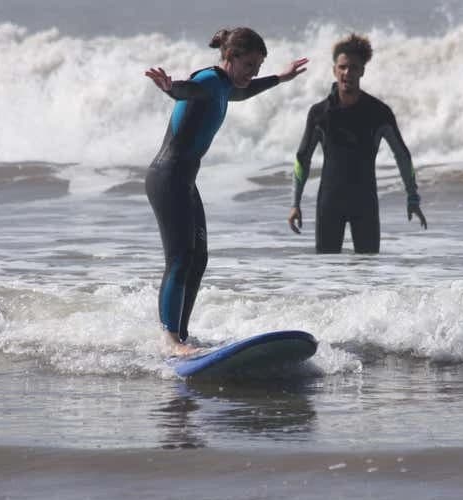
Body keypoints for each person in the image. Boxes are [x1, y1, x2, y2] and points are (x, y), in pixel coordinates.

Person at [145, 27, 308, 356]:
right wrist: (169, 87)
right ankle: (170, 340)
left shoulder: (225, 86)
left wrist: (280, 77)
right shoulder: (208, 81)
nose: (253, 73)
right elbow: (186, 91)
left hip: (184, 180)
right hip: (168, 177)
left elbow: (243, 93)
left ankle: (181, 334)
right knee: (179, 258)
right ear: (230, 58)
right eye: (249, 65)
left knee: (198, 258)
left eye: (258, 67)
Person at [287, 33, 426, 254]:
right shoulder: (320, 114)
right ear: (334, 70)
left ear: (362, 71)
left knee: (369, 274)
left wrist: (412, 197)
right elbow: (302, 158)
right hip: (329, 205)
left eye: (353, 67)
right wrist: (295, 203)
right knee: (327, 276)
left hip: (365, 205)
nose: (347, 73)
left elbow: (402, 155)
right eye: (342, 67)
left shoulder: (379, 113)